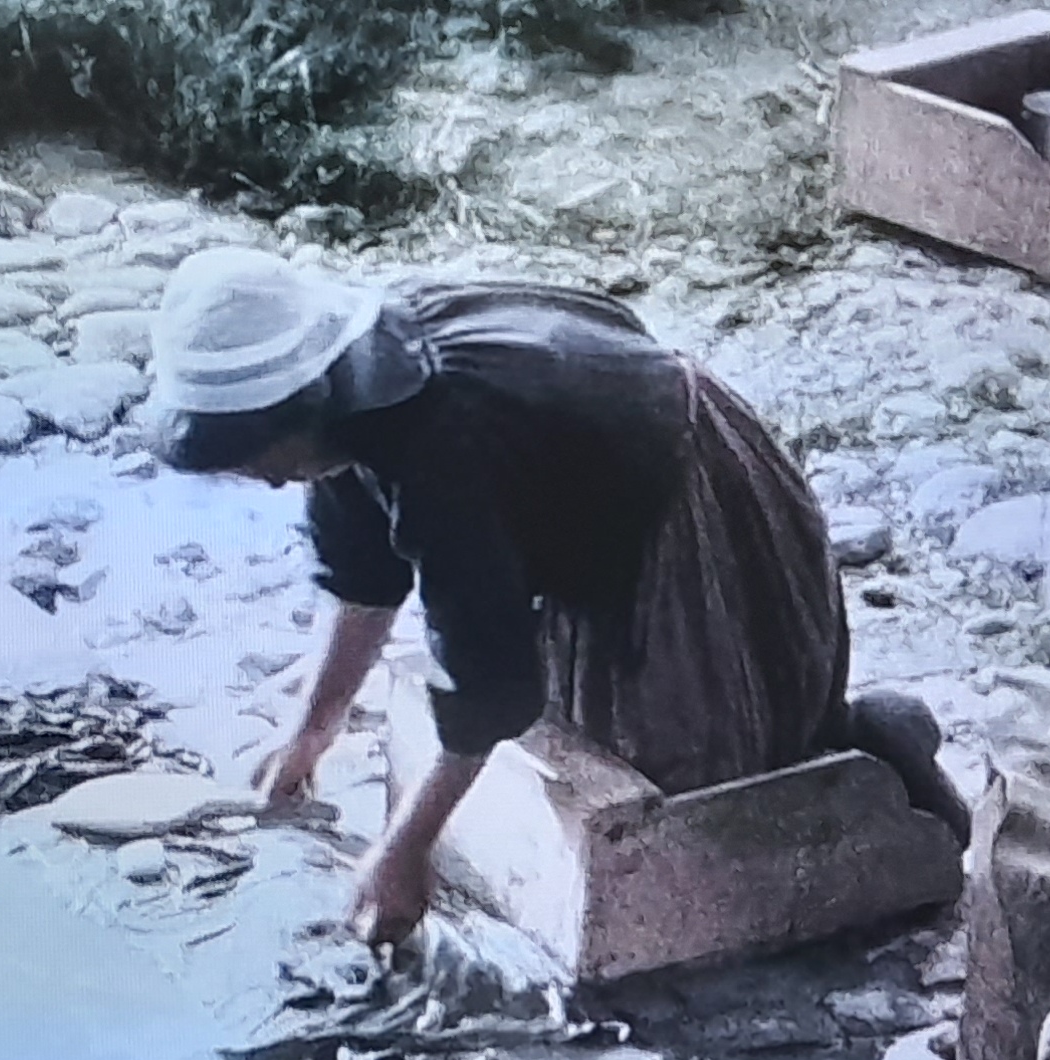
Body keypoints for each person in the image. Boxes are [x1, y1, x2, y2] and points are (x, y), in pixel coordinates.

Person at [147, 247, 970, 946]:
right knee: (596, 727)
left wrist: (405, 851)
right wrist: (310, 735)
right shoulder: (352, 407)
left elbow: (487, 681)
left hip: (670, 474)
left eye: (257, 456)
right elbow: (362, 578)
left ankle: (873, 754)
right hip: (568, 477)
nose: (257, 478)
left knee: (692, 773)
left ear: (301, 408)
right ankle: (826, 737)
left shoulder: (441, 443)